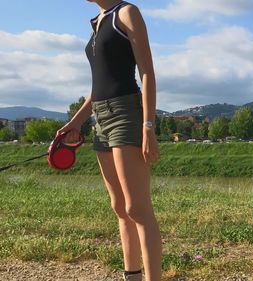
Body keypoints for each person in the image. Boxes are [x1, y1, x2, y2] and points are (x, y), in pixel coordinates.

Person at [57, 0, 162, 280]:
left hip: (125, 113)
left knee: (137, 208)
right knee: (119, 207)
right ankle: (132, 275)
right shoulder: (98, 21)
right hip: (100, 118)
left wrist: (148, 126)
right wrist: (75, 122)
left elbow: (147, 72)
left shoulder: (127, 12)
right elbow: (98, 86)